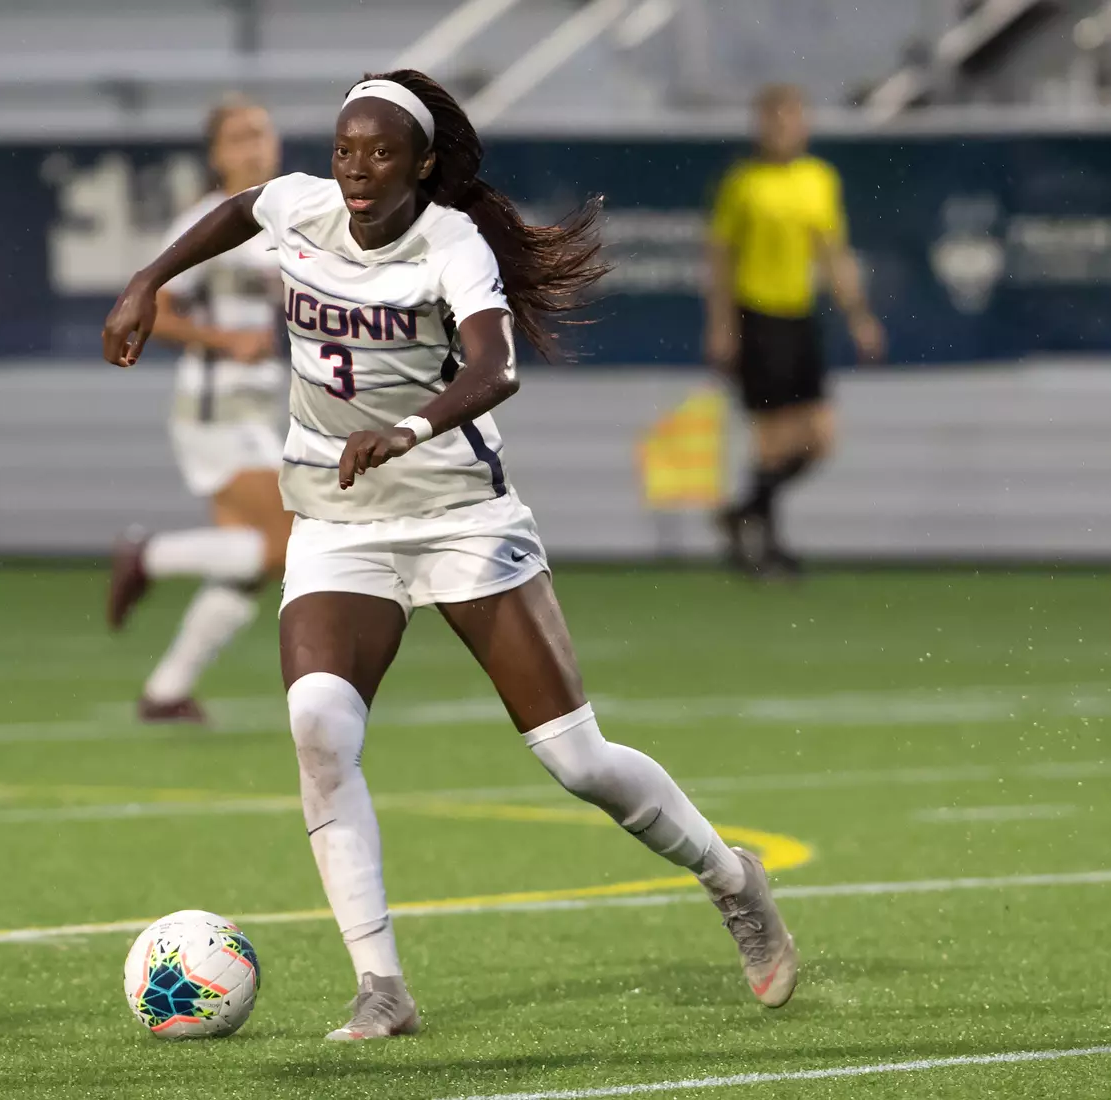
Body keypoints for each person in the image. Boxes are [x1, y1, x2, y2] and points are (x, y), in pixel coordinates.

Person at [104, 69, 799, 1040]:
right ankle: (380, 984)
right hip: (341, 521)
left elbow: (494, 365)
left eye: (380, 152)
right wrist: (147, 282)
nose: (355, 169)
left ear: (423, 164)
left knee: (577, 759)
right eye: (346, 148)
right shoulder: (303, 206)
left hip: (461, 518)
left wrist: (411, 425)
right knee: (318, 723)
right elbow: (237, 209)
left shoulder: (452, 245)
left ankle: (731, 876)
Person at [107, 95, 294, 724]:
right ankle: (148, 554)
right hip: (215, 410)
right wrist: (224, 341)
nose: (253, 146)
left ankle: (166, 692)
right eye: (238, 137)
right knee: (289, 545)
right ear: (216, 154)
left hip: (257, 410)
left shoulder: (288, 217)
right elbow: (145, 307)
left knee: (246, 561)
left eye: (261, 133)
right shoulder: (205, 222)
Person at [707, 83, 885, 576]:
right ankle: (768, 543)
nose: (782, 128)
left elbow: (833, 253)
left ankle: (743, 512)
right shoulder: (744, 184)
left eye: (789, 118)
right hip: (756, 315)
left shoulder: (818, 179)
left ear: (803, 125)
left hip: (801, 315)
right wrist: (721, 326)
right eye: (772, 119)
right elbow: (722, 258)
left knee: (820, 437)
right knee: (770, 434)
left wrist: (859, 317)